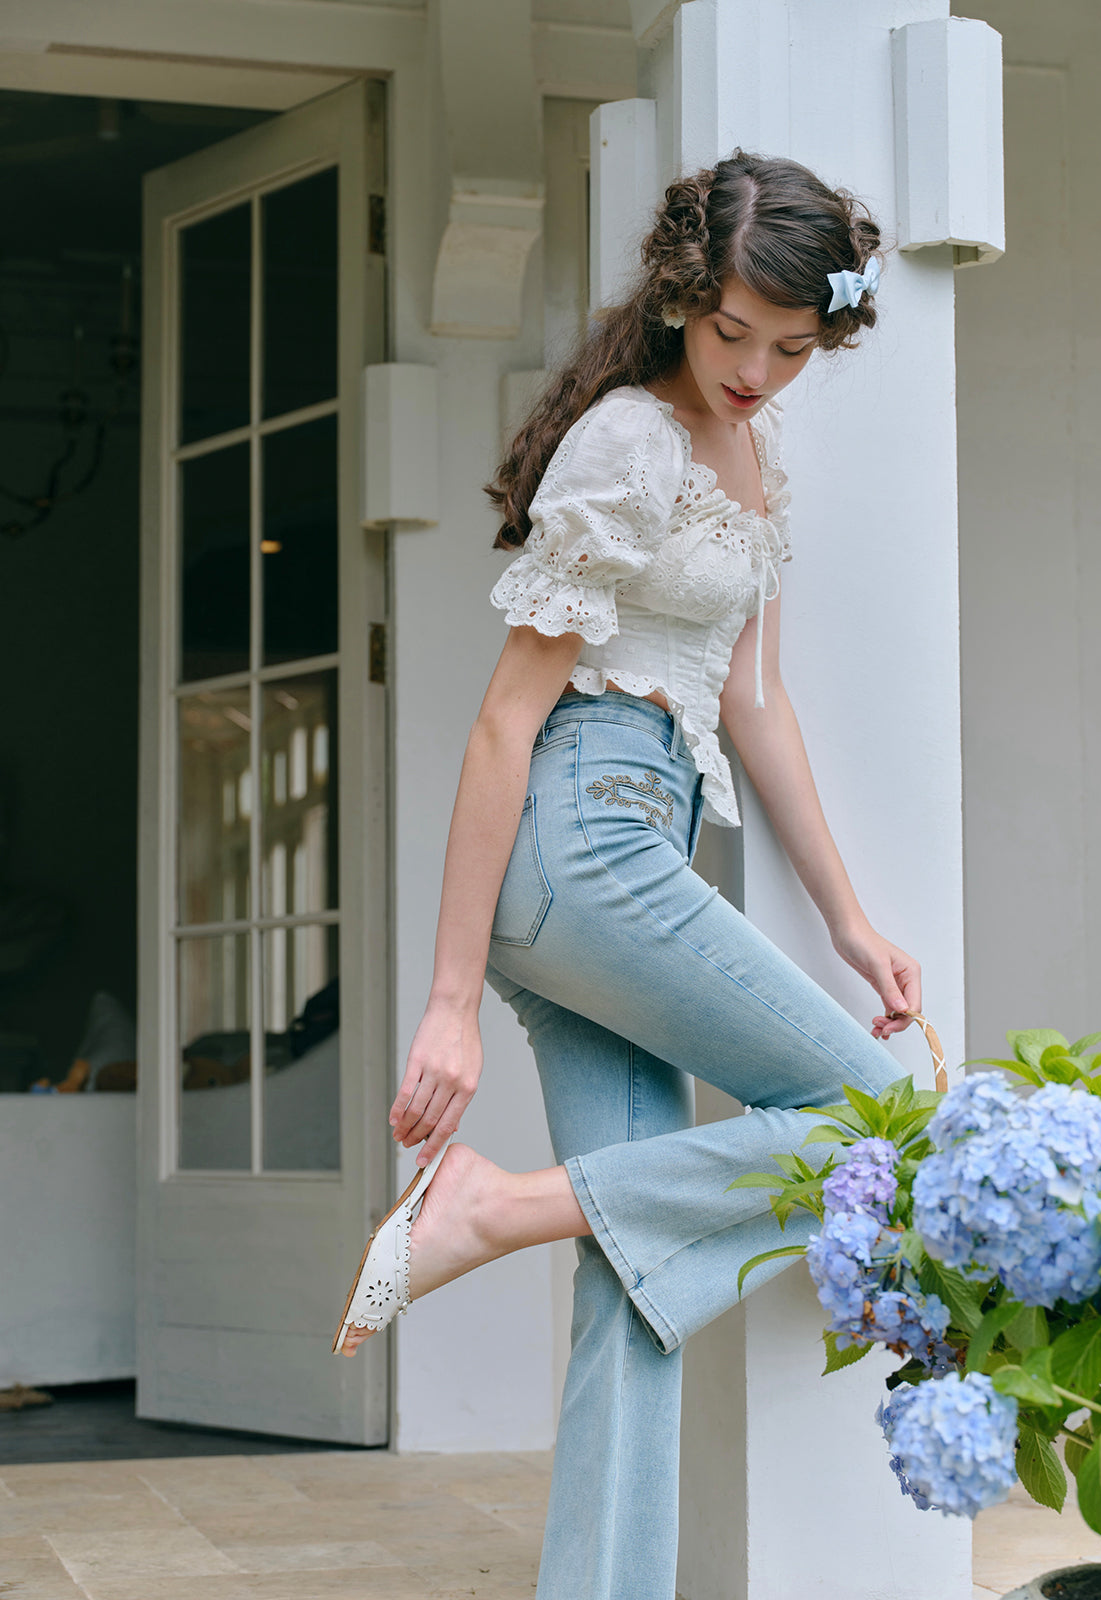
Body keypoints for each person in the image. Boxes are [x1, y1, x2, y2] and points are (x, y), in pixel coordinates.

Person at [333, 149, 919, 1600]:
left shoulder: (751, 461)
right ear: (679, 300)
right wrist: (451, 998)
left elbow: (754, 706)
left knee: (642, 1275)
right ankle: (487, 1209)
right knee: (881, 1122)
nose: (758, 372)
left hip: (633, 836)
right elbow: (503, 721)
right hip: (584, 834)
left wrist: (852, 921)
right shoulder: (627, 444)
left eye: (792, 348)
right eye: (733, 334)